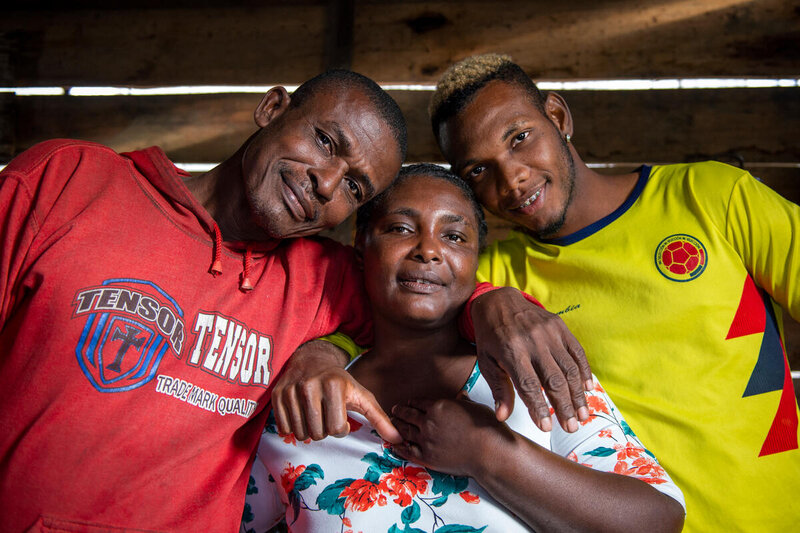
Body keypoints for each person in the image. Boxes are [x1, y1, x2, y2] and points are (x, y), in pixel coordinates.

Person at [0, 69, 410, 532]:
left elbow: (431, 302)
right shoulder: (67, 182)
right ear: (271, 108)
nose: (327, 184)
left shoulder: (323, 277)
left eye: (355, 187)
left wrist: (323, 351)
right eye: (325, 141)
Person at [429, 54, 800, 531]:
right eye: (479, 170)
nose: (512, 178)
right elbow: (372, 317)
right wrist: (484, 300)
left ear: (558, 118)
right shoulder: (495, 279)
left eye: (520, 138)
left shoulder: (711, 197)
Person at [242, 164, 685, 532]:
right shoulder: (307, 399)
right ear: (361, 248)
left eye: (454, 237)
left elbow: (658, 519)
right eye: (400, 228)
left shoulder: (532, 372)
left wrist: (488, 452)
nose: (429, 250)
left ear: (475, 260)